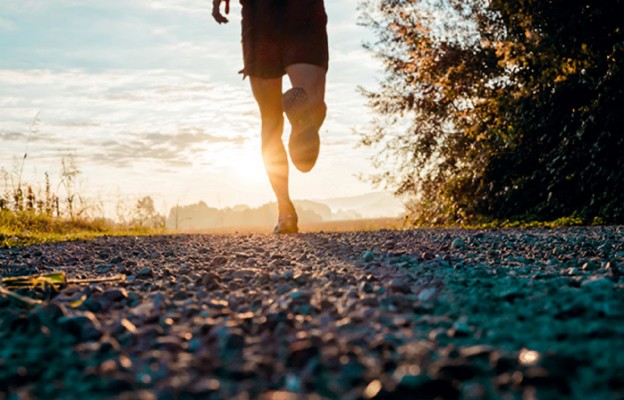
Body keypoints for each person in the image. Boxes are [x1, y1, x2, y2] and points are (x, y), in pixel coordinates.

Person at [212, 0, 329, 234]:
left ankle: (285, 211)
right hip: (301, 8)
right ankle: (305, 117)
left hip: (259, 12)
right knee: (312, 99)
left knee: (270, 120)